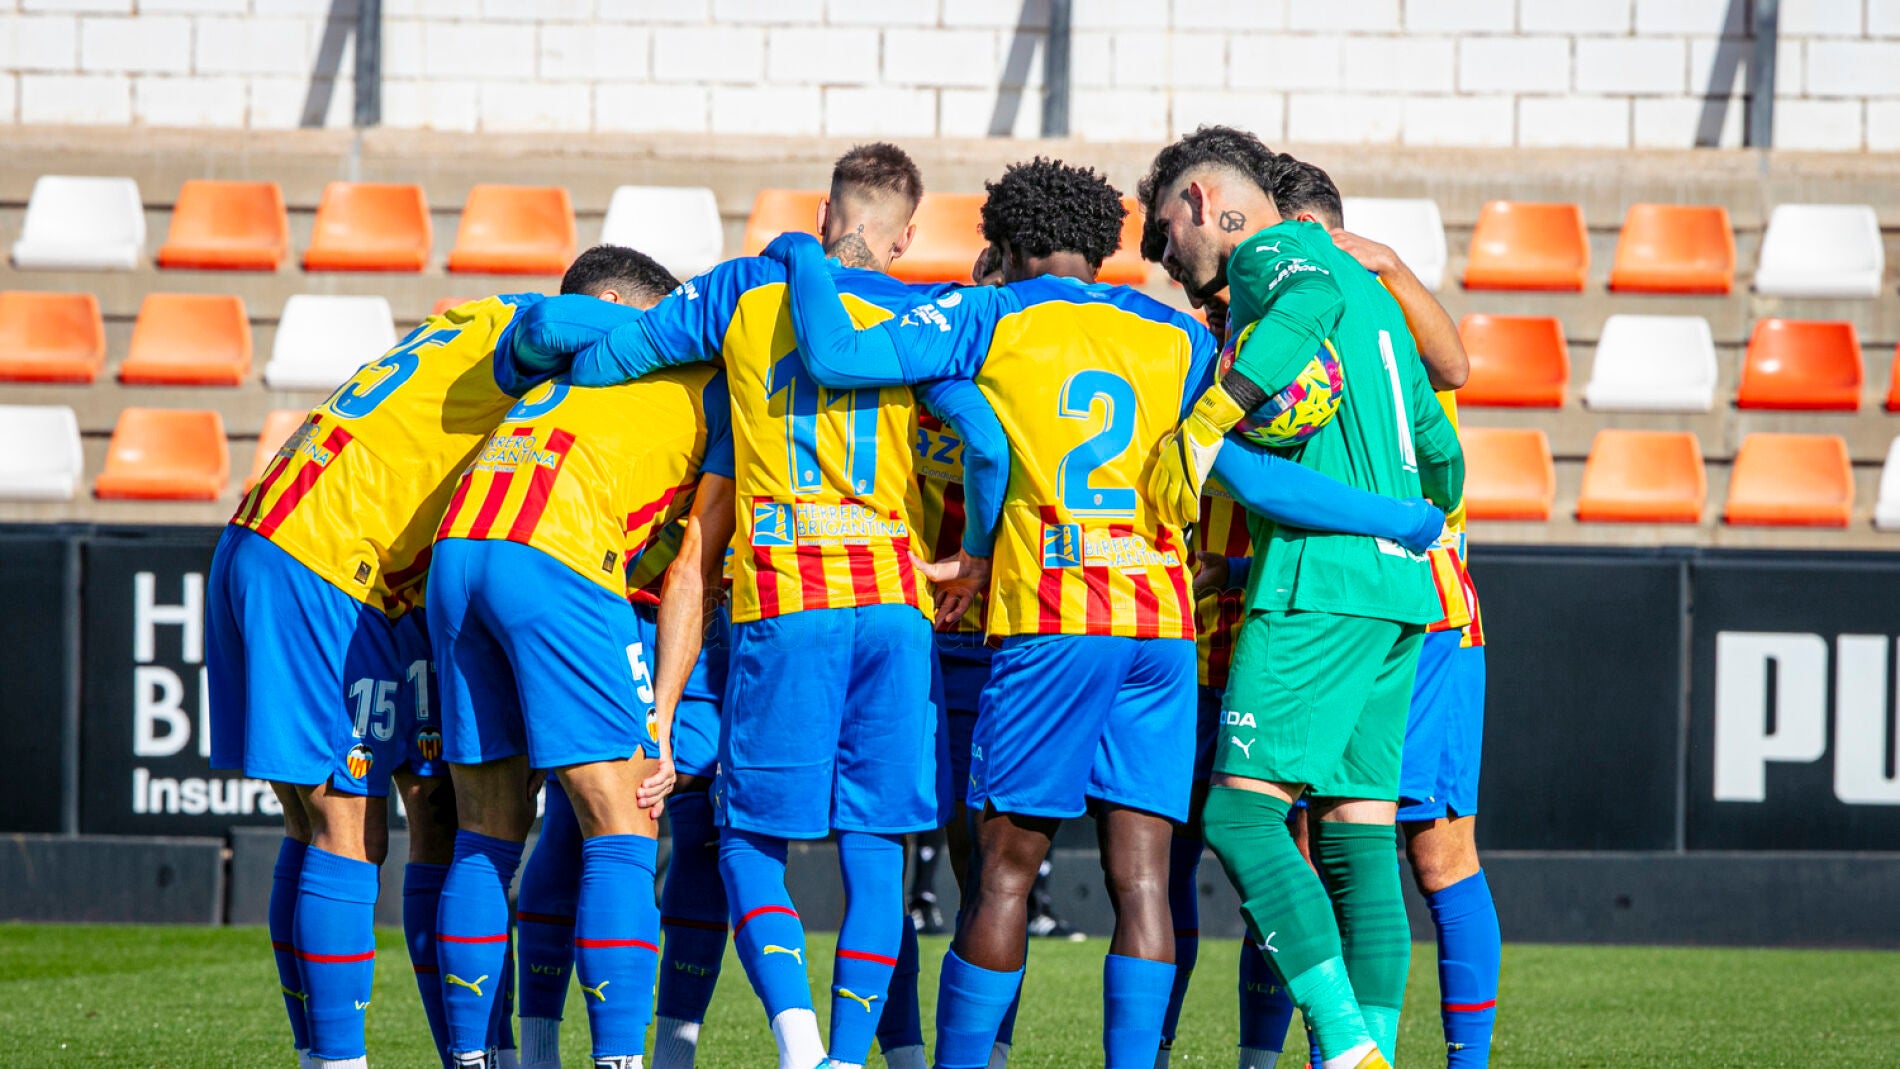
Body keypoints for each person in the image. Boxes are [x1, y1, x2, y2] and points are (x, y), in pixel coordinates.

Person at [756, 156, 1445, 1069]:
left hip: (1054, 617)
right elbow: (1248, 474)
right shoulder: (1176, 333)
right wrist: (1396, 516)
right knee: (1144, 880)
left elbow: (836, 352)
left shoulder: (990, 314)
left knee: (1003, 871)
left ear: (1006, 245)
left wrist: (801, 253)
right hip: (1159, 628)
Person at [516, 142, 996, 1069]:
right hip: (896, 600)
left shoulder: (745, 290)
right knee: (879, 845)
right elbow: (983, 438)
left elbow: (613, 358)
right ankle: (851, 1056)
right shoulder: (926, 311)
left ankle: (799, 1044)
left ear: (823, 215)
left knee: (743, 837)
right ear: (903, 239)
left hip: (791, 590)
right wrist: (971, 554)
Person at [1141, 125, 1464, 1069]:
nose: (1168, 257)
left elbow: (1305, 301)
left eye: (1167, 231)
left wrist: (1212, 415)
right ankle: (1370, 1054)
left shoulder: (1274, 258)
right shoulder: (1375, 300)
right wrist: (1406, 513)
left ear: (1202, 201)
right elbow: (1442, 454)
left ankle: (1347, 1041)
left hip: (1318, 585)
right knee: (1358, 843)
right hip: (1400, 595)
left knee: (1240, 816)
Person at [208, 273, 580, 1069]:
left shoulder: (464, 322)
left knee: (392, 810)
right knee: (347, 823)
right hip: (325, 560)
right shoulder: (523, 329)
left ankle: (417, 1054)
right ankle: (338, 1060)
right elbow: (551, 328)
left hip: (299, 546)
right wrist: (674, 328)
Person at [425, 245, 729, 1069]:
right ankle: (621, 1061)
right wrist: (661, 718)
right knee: (626, 823)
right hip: (555, 555)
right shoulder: (714, 379)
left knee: (486, 833)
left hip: (459, 550)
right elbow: (690, 575)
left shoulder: (560, 370)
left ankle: (480, 1060)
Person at [1268, 157, 1500, 1069]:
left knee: (1438, 853)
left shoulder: (1376, 295)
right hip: (1335, 604)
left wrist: (1391, 265)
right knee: (1300, 846)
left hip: (1430, 612)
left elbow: (1457, 367)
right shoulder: (1291, 313)